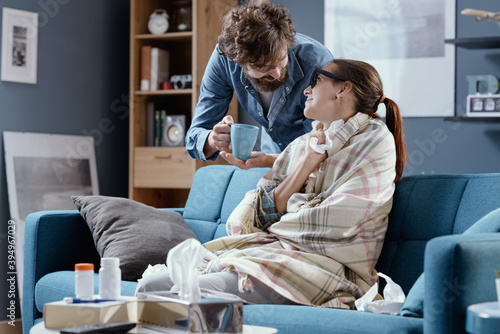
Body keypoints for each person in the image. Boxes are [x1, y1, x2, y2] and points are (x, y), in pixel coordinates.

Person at [137, 59, 406, 309]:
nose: (306, 90)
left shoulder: (375, 140)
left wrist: (284, 219)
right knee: (150, 285)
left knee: (179, 295)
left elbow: (341, 218)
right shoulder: (304, 145)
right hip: (275, 252)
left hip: (325, 266)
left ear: (343, 89)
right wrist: (307, 164)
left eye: (316, 80)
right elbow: (258, 214)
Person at [185, 0, 334, 169]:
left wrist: (272, 160)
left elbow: (329, 144)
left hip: (315, 167)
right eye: (264, 68)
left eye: (281, 60)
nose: (277, 73)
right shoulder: (224, 60)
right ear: (238, 62)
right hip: (268, 165)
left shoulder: (318, 63)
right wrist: (213, 139)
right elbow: (194, 137)